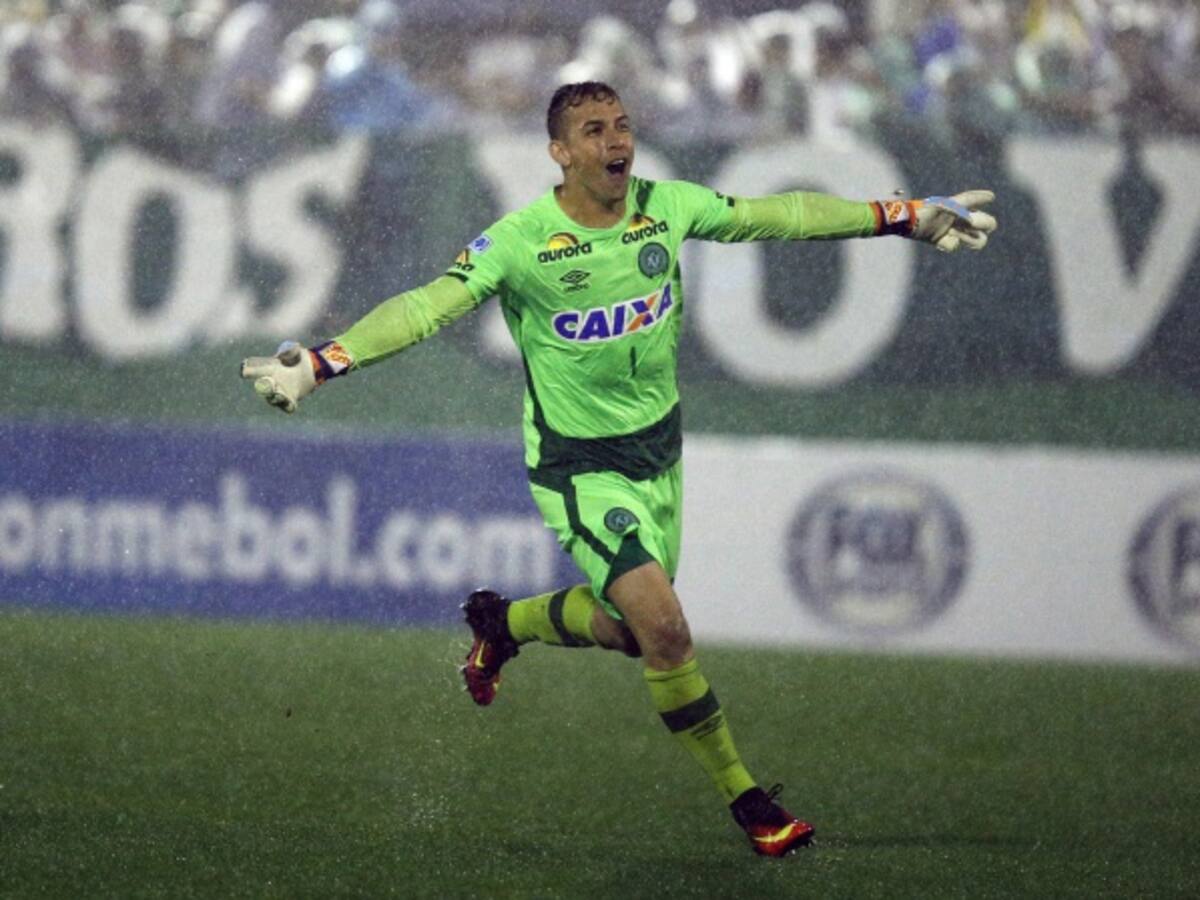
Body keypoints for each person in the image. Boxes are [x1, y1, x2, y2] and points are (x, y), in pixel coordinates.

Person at [240, 81, 996, 857]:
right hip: (579, 469)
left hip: (658, 454)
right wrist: (325, 363)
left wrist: (901, 216)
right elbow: (427, 305)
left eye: (623, 126)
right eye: (594, 131)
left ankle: (505, 625)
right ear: (560, 154)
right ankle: (748, 802)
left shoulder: (665, 207)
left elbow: (781, 216)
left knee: (635, 635)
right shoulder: (522, 240)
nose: (615, 142)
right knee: (666, 628)